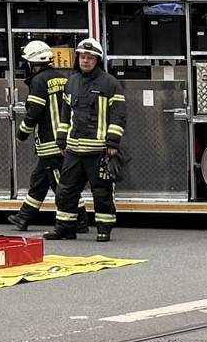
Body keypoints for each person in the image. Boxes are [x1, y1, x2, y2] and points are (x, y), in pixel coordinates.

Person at [51, 37, 126, 242]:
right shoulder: (72, 81)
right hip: (74, 150)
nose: (85, 61)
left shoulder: (109, 83)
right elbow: (65, 114)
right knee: (65, 191)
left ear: (97, 60)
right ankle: (65, 228)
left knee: (101, 193)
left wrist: (112, 143)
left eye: (90, 58)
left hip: (98, 150)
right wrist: (61, 140)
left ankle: (104, 229)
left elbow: (118, 115)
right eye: (83, 57)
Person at [11, 40, 68, 230]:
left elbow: (34, 111)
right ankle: (23, 217)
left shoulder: (38, 81)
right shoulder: (62, 78)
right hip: (62, 139)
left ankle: (78, 220)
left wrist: (21, 134)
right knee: (40, 180)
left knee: (62, 184)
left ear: (32, 63)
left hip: (50, 143)